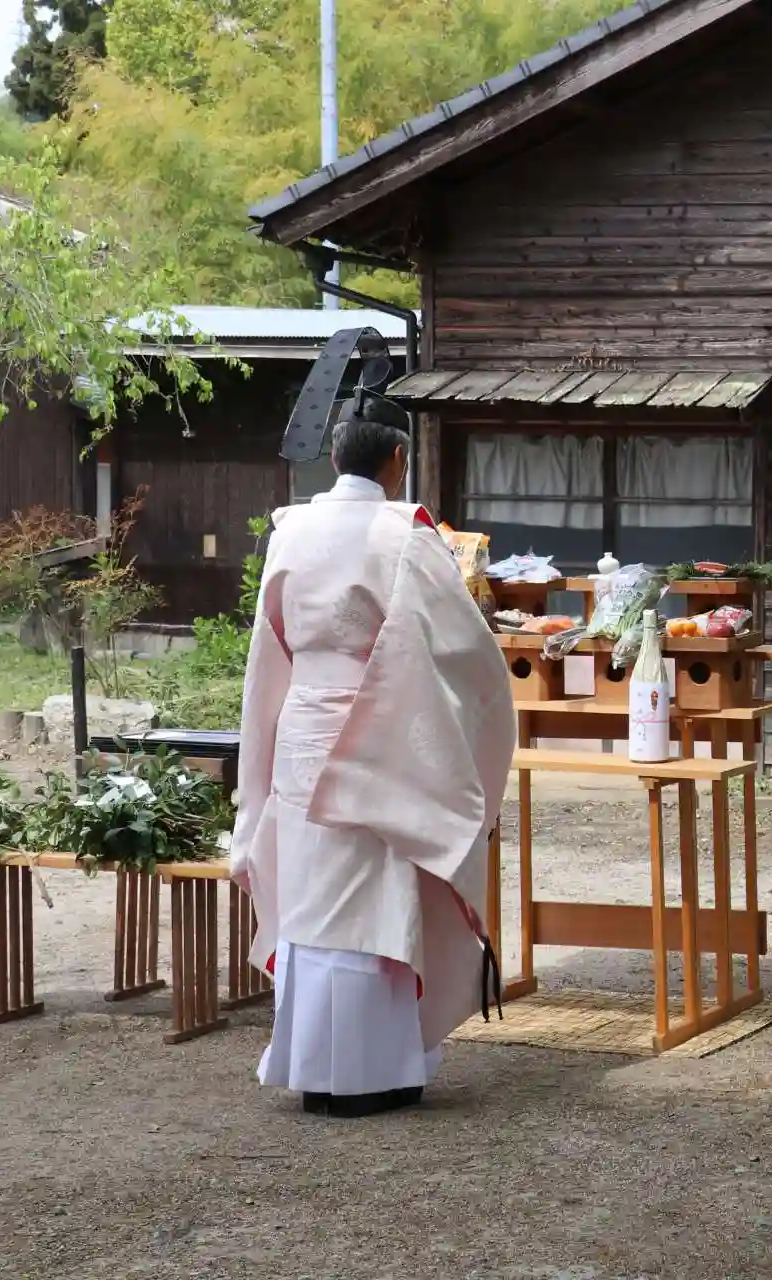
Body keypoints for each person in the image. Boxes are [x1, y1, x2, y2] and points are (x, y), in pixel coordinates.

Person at [230, 394, 514, 1118]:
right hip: (379, 730)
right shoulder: (406, 534)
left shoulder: (290, 530)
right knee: (373, 903)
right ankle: (377, 1072)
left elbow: (269, 652)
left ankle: (318, 1073)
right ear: (398, 460)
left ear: (333, 458)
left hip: (303, 732)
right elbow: (459, 646)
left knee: (313, 899)